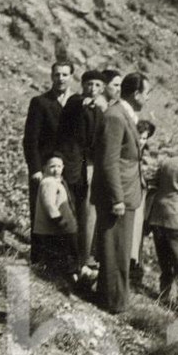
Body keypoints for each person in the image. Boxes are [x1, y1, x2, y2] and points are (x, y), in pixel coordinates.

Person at [92, 72, 148, 314]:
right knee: (115, 249)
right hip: (119, 194)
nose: (148, 97)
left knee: (120, 249)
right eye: (147, 92)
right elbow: (108, 161)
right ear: (136, 94)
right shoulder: (116, 116)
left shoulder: (125, 114)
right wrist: (117, 198)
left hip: (127, 192)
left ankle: (113, 298)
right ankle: (114, 302)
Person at [57, 69, 106, 275]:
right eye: (89, 84)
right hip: (72, 166)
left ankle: (82, 260)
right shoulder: (75, 102)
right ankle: (65, 259)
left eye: (96, 85)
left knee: (85, 213)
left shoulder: (99, 110)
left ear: (102, 88)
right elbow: (72, 107)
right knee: (68, 210)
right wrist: (82, 103)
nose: (92, 89)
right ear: (82, 85)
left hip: (89, 168)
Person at [23, 61, 73, 254]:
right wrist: (35, 169)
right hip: (45, 168)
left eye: (65, 75)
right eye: (57, 75)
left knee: (64, 210)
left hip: (68, 168)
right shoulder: (40, 102)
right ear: (52, 77)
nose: (61, 79)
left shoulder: (77, 102)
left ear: (71, 77)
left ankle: (61, 260)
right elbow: (30, 139)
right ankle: (40, 258)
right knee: (41, 212)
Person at [147, 134, 178, 312]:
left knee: (165, 264)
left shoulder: (169, 161)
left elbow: (154, 184)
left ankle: (164, 297)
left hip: (159, 216)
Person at [32, 155, 79, 283]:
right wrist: (58, 219)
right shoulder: (48, 183)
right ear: (45, 168)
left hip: (61, 226)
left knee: (66, 252)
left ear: (63, 168)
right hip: (52, 228)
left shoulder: (58, 182)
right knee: (58, 253)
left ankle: (71, 276)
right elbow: (49, 204)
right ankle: (61, 278)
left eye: (59, 166)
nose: (56, 170)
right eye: (52, 166)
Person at [129, 118, 156, 289]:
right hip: (130, 199)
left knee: (136, 237)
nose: (141, 140)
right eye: (140, 136)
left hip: (140, 200)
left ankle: (133, 271)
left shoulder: (145, 156)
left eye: (145, 138)